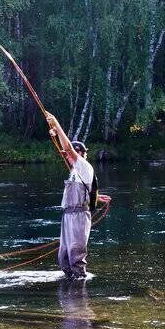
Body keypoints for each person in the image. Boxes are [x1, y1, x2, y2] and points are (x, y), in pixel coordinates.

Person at [44, 112, 111, 279]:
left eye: (70, 153)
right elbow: (84, 189)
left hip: (79, 216)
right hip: (67, 215)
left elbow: (67, 147)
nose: (65, 155)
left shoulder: (83, 165)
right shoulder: (75, 169)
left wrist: (57, 124)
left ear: (80, 152)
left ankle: (80, 293)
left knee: (76, 255)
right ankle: (69, 290)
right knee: (64, 258)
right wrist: (97, 196)